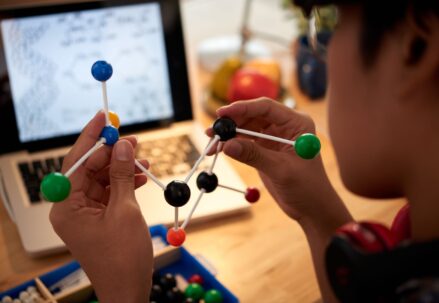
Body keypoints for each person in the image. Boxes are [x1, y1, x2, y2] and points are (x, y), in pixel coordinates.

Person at [49, 0, 439, 302]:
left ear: (417, 45)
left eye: (332, 28)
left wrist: (122, 294)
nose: (326, 53)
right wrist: (319, 213)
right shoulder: (411, 238)